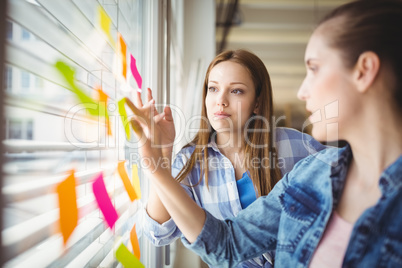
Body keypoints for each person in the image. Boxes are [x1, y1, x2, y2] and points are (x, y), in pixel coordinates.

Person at [127, 0, 402, 266]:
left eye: (314, 69)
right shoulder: (313, 174)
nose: (301, 91)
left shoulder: (301, 151)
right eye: (212, 88)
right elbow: (213, 242)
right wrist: (157, 162)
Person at [131, 50, 325, 267]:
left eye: (236, 91)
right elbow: (157, 233)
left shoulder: (298, 146)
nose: (221, 101)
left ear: (257, 103)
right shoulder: (190, 161)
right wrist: (163, 157)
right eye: (213, 88)